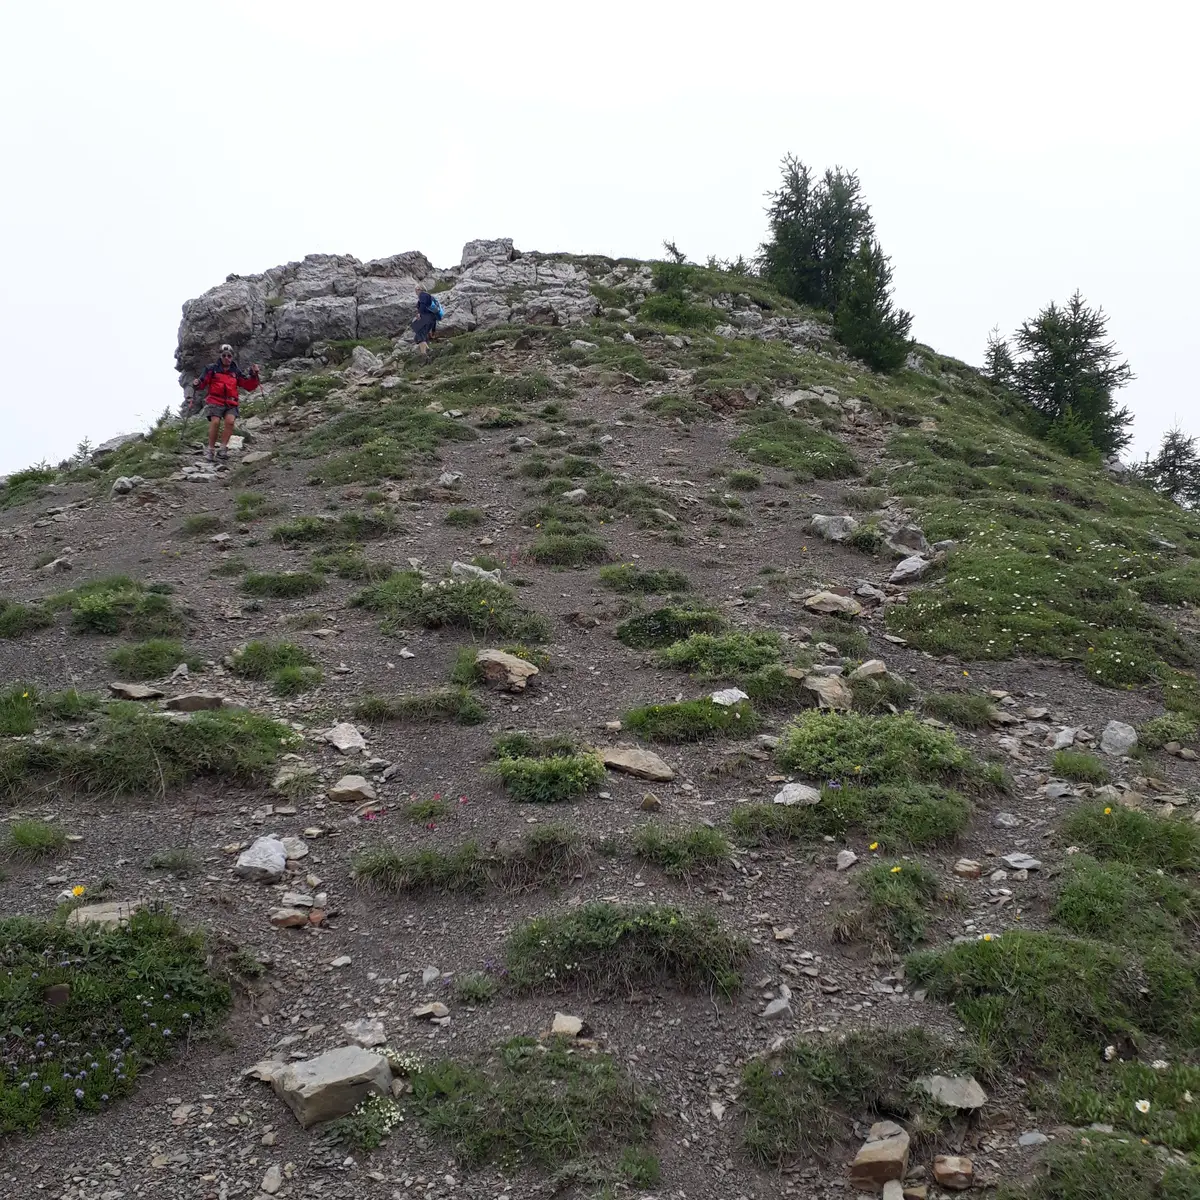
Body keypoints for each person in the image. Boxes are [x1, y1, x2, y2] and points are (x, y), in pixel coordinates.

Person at [192, 344, 260, 462]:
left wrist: (254, 375)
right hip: (215, 399)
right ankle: (211, 450)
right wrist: (197, 383)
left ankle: (223, 449)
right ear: (220, 356)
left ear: (232, 356)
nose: (226, 358)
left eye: (229, 355)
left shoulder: (236, 371)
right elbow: (202, 383)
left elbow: (247, 385)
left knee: (230, 421)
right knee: (216, 421)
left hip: (231, 401)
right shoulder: (211, 369)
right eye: (224, 355)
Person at [412, 283, 442, 357]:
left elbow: (422, 305)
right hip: (431, 319)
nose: (415, 291)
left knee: (419, 333)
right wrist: (433, 330)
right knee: (418, 336)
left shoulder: (422, 295)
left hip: (426, 317)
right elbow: (434, 313)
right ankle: (428, 351)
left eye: (415, 289)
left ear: (418, 289)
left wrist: (419, 313)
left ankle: (424, 355)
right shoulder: (430, 297)